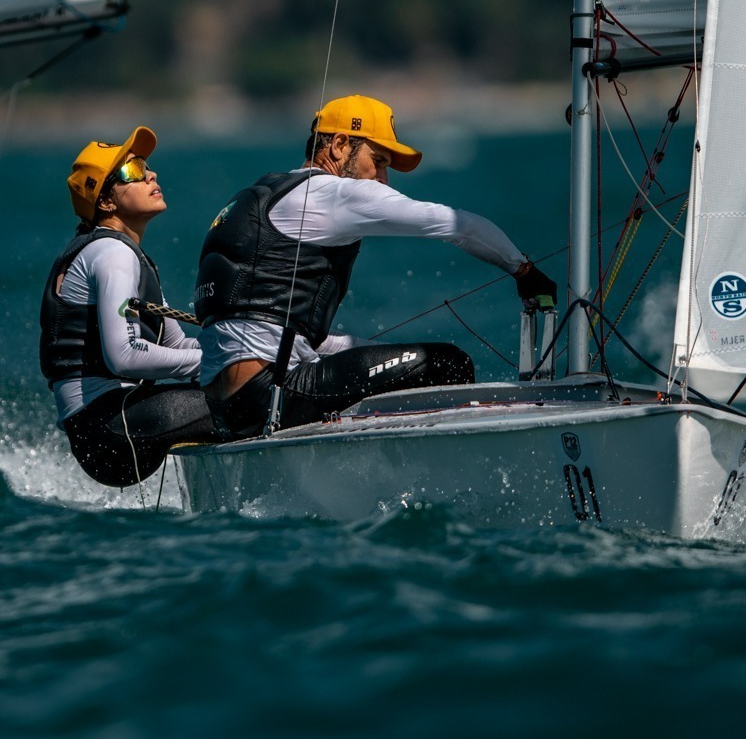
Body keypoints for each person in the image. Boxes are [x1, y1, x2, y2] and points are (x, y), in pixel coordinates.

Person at [195, 95, 557, 440]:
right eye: (378, 160)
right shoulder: (334, 194)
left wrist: (382, 353)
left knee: (398, 361)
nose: (383, 178)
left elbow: (279, 332)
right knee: (450, 364)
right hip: (271, 396)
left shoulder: (261, 195)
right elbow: (458, 225)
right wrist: (525, 272)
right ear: (338, 146)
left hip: (227, 406)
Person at [39, 126, 217, 487]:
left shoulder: (128, 256)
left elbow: (178, 347)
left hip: (107, 427)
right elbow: (124, 355)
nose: (151, 174)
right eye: (134, 172)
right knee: (250, 397)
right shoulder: (112, 254)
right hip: (106, 428)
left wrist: (236, 351)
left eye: (147, 167)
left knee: (245, 380)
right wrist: (219, 361)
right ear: (105, 202)